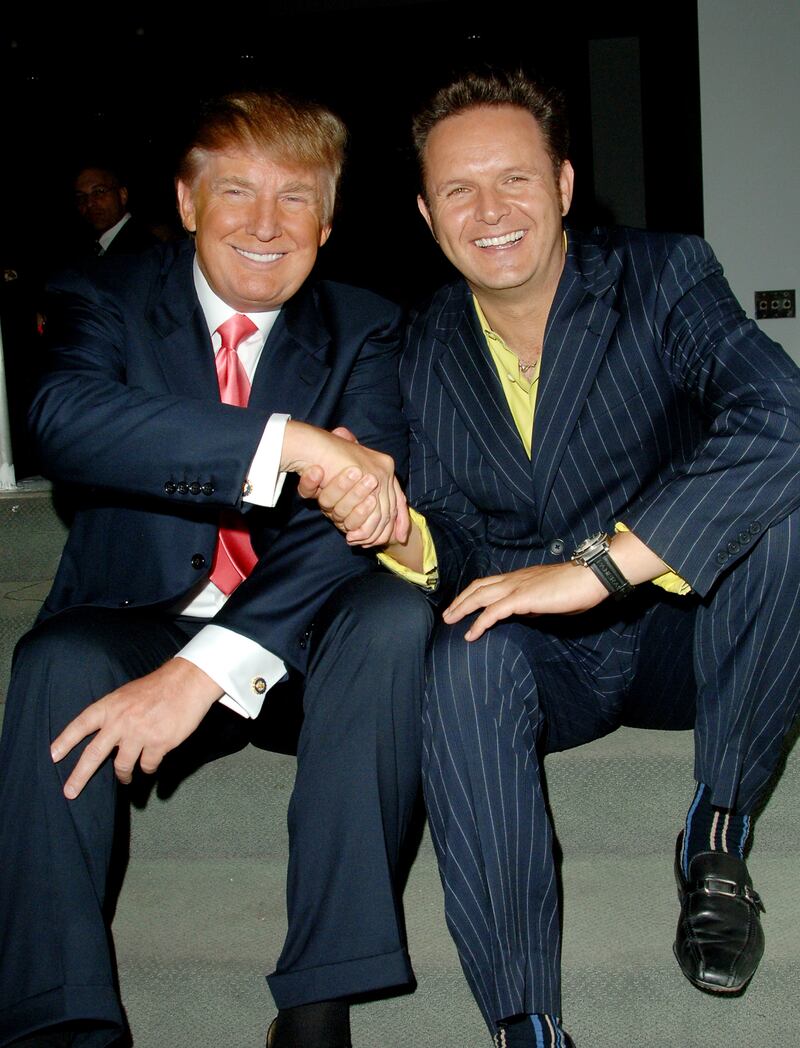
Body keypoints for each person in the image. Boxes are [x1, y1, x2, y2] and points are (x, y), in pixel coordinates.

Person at [307, 71, 800, 1047]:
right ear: (426, 214)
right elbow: (453, 538)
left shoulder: (662, 275)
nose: (489, 211)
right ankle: (524, 1022)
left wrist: (603, 566)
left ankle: (715, 839)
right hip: (546, 661)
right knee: (460, 650)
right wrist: (390, 525)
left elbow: (779, 413)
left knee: (779, 511)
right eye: (458, 190)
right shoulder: (418, 346)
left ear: (564, 184)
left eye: (514, 179)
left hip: (680, 632)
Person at [0, 91, 432, 1048]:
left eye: (295, 197)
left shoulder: (366, 325)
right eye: (237, 191)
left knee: (393, 619)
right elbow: (63, 421)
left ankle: (316, 1011)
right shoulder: (104, 295)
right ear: (188, 201)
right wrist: (290, 443)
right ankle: (60, 1024)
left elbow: (351, 525)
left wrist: (205, 668)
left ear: (327, 220)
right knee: (53, 665)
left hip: (295, 644)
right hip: (138, 614)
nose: (266, 224)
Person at [73, 164, 158, 255]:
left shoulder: (145, 248)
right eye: (81, 196)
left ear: (122, 195)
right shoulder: (82, 248)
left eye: (99, 191)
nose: (89, 203)